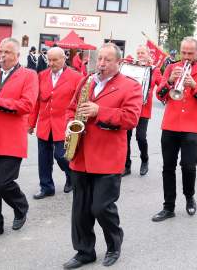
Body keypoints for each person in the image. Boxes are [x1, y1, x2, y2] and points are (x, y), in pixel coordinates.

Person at [62, 43, 142, 269]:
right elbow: (70, 109)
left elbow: (131, 119)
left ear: (119, 63)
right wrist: (70, 125)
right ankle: (84, 251)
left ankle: (114, 244)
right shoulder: (86, 81)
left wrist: (100, 111)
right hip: (81, 155)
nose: (102, 64)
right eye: (100, 59)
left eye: (108, 60)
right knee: (80, 209)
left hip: (107, 157)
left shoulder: (130, 86)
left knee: (101, 207)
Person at [0, 37, 39, 241]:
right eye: (1, 51)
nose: (2, 55)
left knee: (3, 183)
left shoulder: (29, 75)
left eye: (7, 52)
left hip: (11, 140)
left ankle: (21, 207)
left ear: (17, 55)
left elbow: (27, 105)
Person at [152, 37, 197, 222]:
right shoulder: (172, 67)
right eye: (184, 53)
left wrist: (195, 86)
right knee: (168, 167)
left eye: (190, 53)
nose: (186, 57)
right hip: (171, 124)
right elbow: (160, 94)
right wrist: (170, 81)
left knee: (188, 166)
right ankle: (168, 207)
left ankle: (189, 197)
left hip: (192, 125)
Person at [28, 47, 82, 199]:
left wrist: (76, 125)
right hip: (45, 124)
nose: (51, 63)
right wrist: (31, 123)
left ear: (64, 58)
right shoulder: (42, 75)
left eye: (55, 60)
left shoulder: (76, 77)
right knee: (43, 158)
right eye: (49, 60)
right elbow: (37, 101)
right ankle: (46, 187)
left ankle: (70, 175)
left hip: (64, 125)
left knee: (61, 155)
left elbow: (79, 103)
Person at [123, 45, 162, 177]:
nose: (140, 55)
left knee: (140, 137)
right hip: (128, 107)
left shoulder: (154, 70)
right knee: (126, 137)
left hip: (144, 108)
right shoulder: (131, 67)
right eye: (138, 53)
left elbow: (161, 85)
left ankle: (144, 160)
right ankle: (126, 165)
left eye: (142, 53)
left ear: (148, 54)